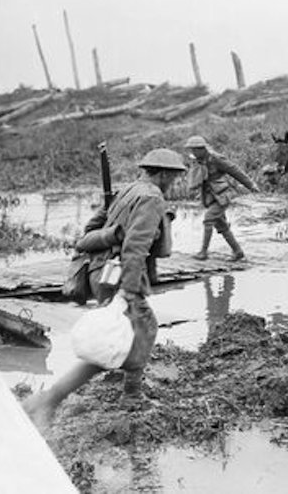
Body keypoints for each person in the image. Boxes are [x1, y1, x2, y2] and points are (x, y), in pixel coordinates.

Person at [23, 148, 187, 425]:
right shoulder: (151, 198)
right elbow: (136, 248)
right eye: (172, 177)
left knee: (120, 338)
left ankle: (118, 395)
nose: (174, 182)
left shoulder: (127, 191)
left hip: (102, 273)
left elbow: (90, 229)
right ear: (161, 174)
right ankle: (55, 399)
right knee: (139, 331)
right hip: (121, 276)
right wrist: (131, 290)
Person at [185, 135, 259, 261]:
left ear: (202, 149)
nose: (192, 152)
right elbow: (196, 178)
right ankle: (238, 251)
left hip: (222, 195)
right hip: (209, 196)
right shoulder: (198, 161)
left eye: (194, 150)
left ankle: (203, 252)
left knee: (208, 219)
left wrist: (250, 184)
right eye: (191, 150)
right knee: (222, 226)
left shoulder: (216, 159)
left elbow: (234, 170)